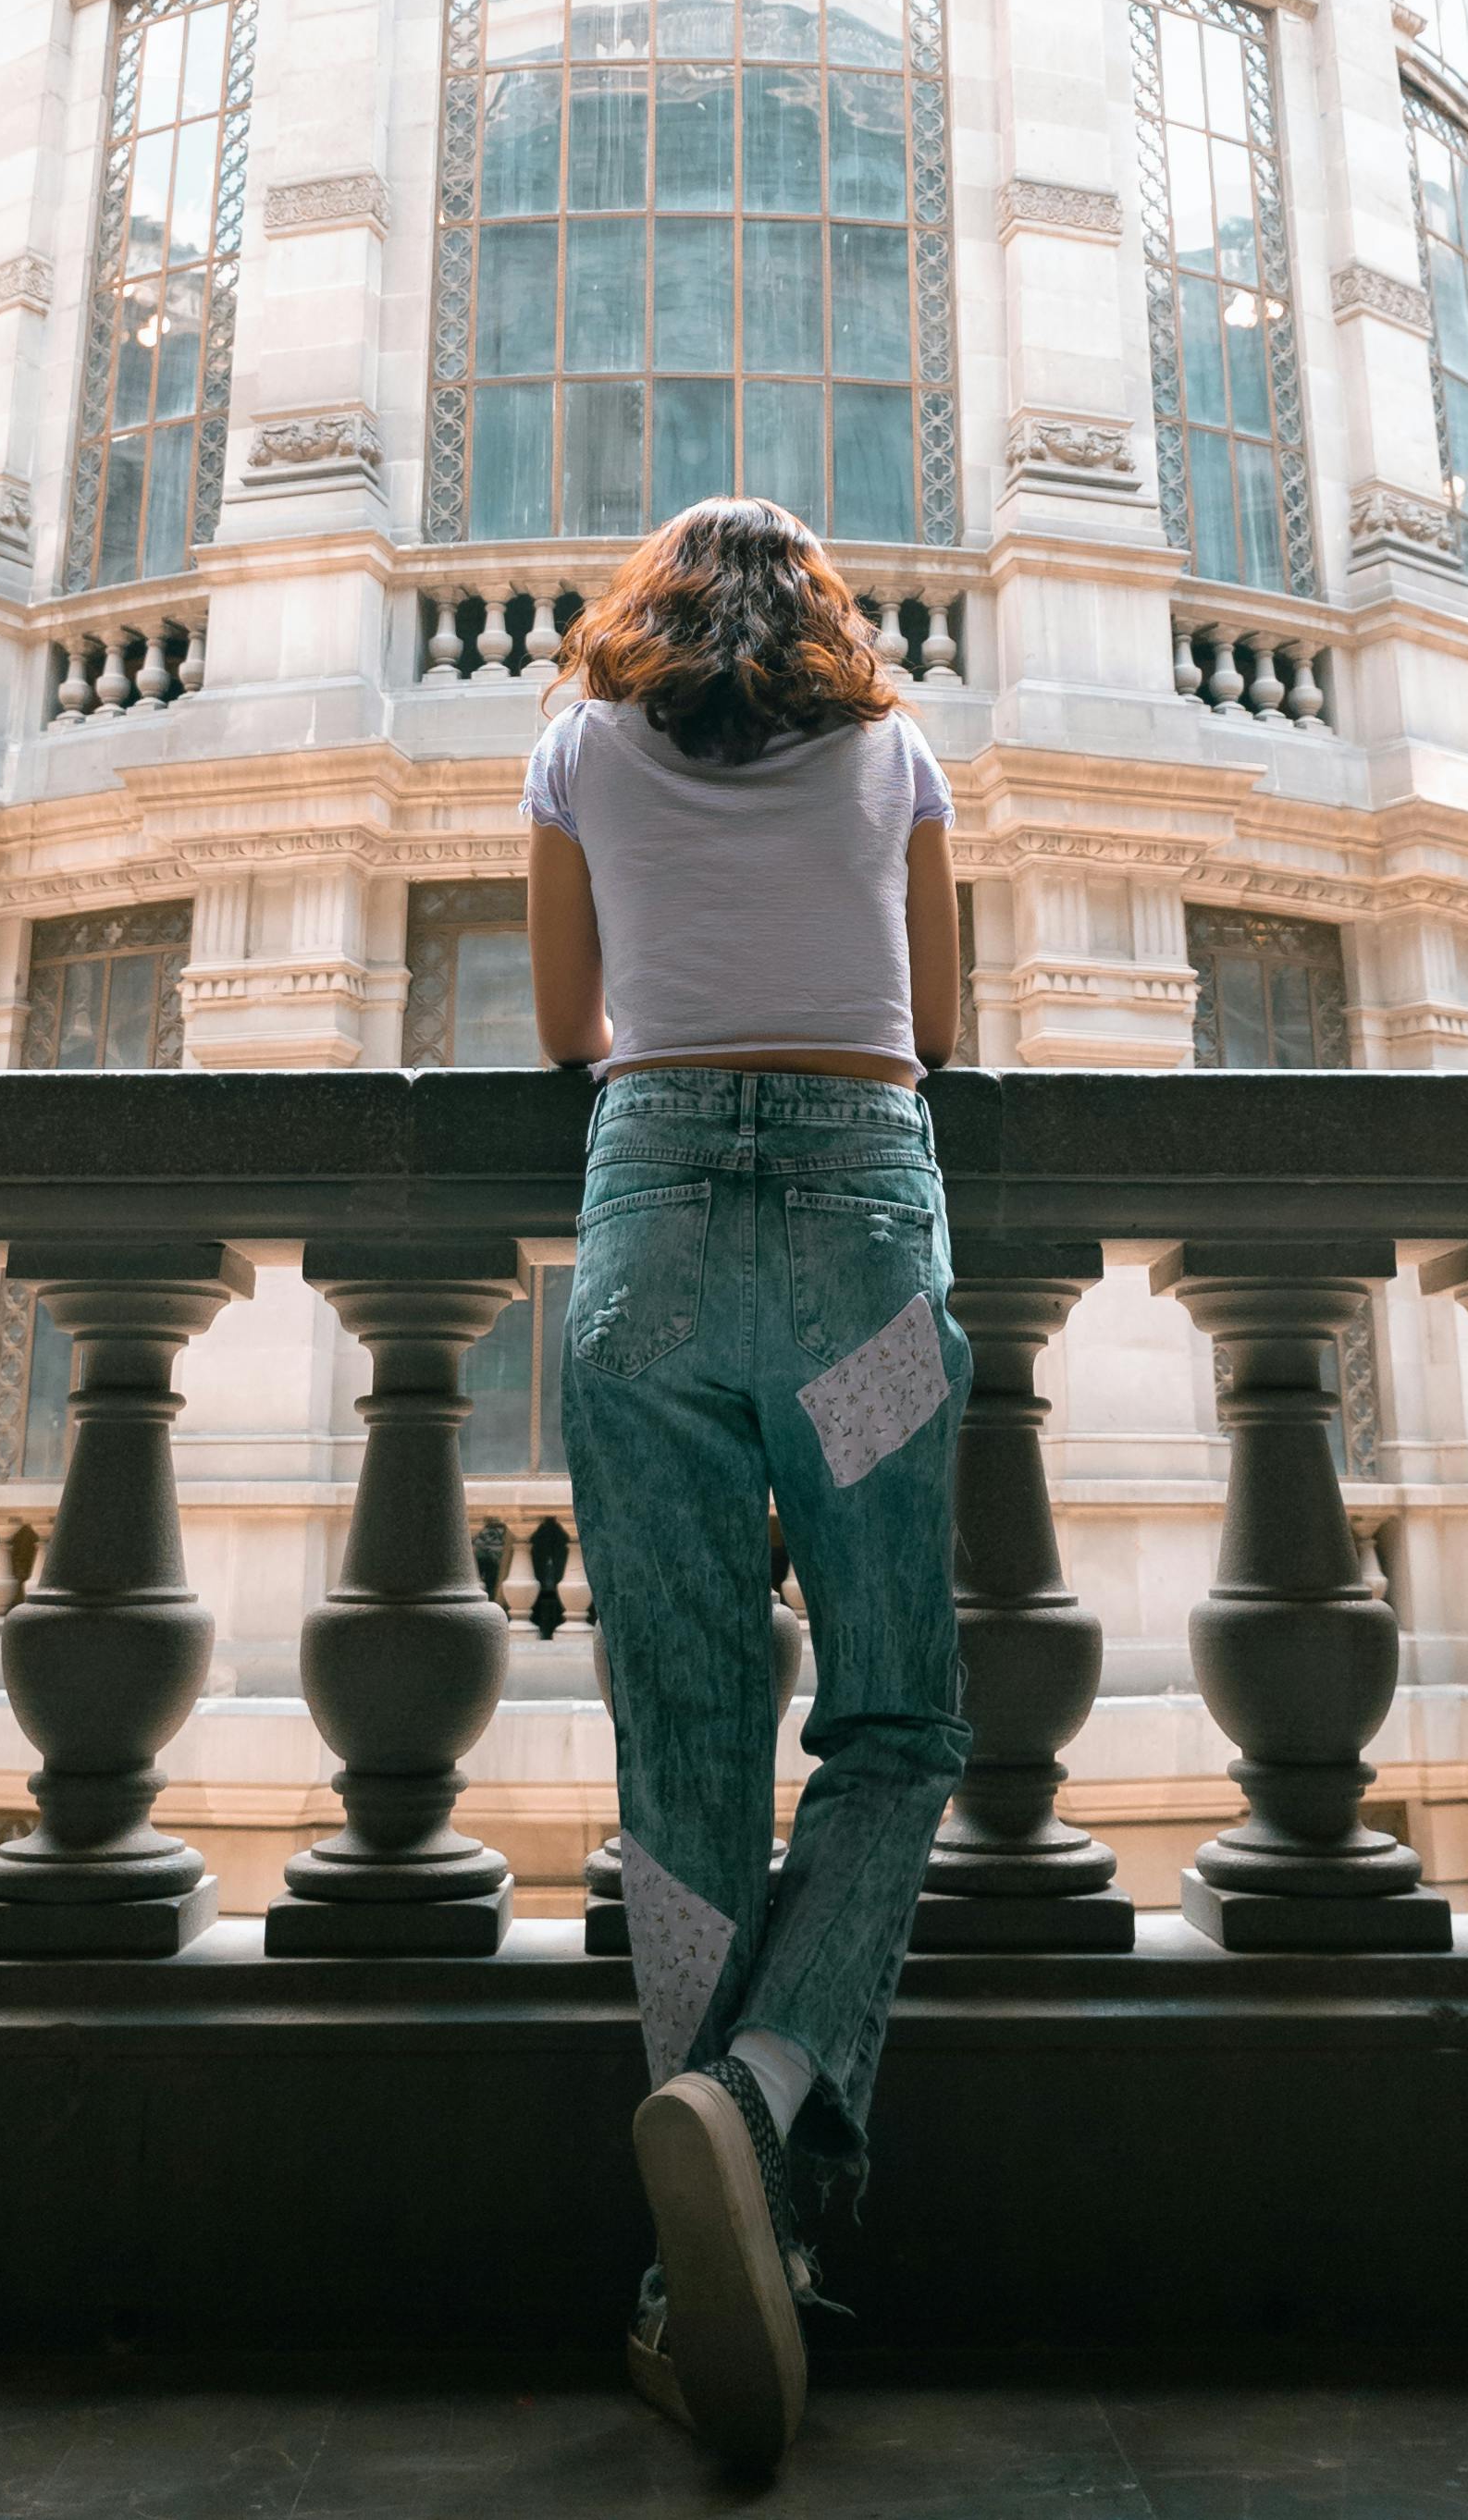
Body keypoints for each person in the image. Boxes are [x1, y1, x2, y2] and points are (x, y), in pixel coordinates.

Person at [524, 496, 970, 2468]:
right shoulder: (893, 751)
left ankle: (685, 2266)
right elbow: (937, 1028)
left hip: (649, 1283)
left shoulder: (570, 746)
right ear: (824, 621)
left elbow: (563, 1030)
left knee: (684, 1740)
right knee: (890, 1716)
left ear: (644, 612)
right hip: (863, 1263)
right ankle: (770, 2108)